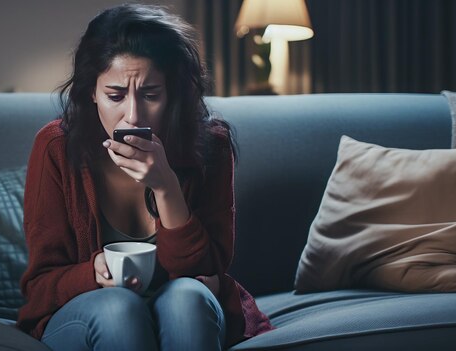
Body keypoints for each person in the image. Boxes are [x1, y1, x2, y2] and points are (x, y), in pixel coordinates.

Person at [16, 4, 273, 350]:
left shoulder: (211, 145)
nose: (133, 114)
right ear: (92, 92)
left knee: (187, 300)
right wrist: (92, 272)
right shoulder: (56, 148)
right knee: (119, 309)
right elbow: (39, 287)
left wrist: (166, 186)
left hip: (184, 305)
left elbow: (207, 272)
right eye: (115, 95)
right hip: (89, 314)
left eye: (151, 94)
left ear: (172, 94)